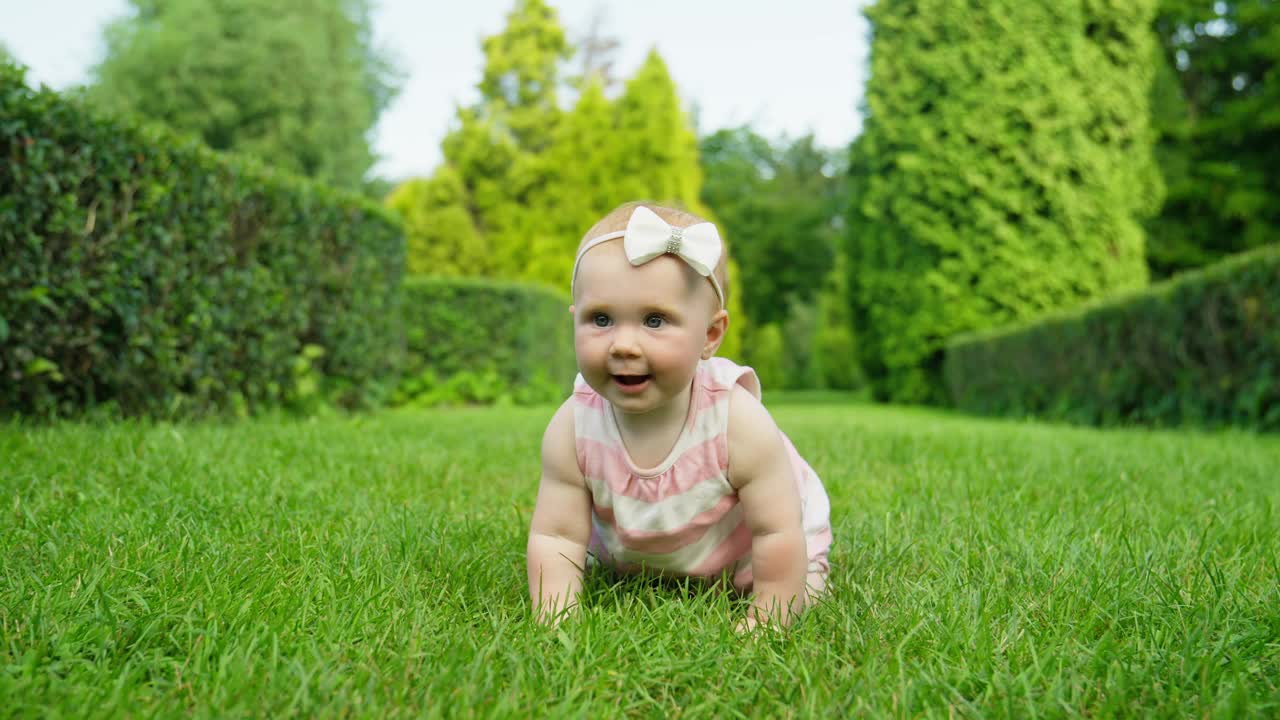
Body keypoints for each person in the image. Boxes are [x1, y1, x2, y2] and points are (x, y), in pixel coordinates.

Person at [526, 201, 832, 630]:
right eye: (601, 319)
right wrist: (556, 617)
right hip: (642, 550)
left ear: (709, 335)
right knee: (603, 566)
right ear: (574, 322)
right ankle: (648, 565)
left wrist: (770, 614)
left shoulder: (736, 422)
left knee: (800, 581)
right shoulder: (574, 425)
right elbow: (556, 535)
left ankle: (805, 583)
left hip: (740, 550)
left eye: (654, 320)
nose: (624, 345)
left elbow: (776, 532)